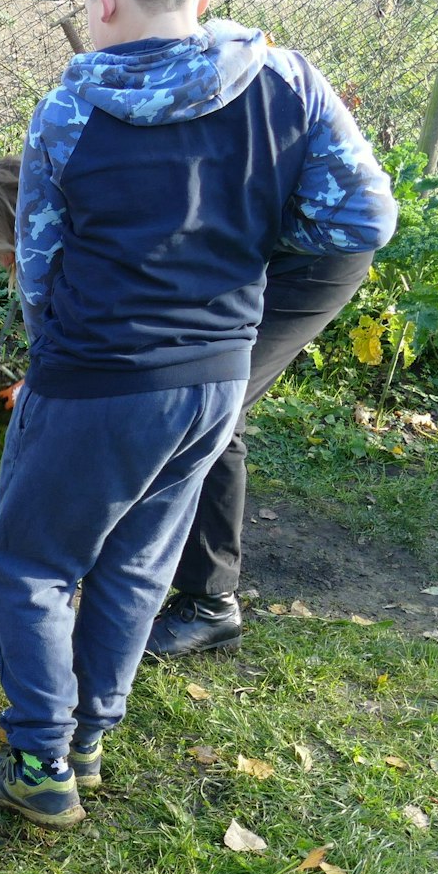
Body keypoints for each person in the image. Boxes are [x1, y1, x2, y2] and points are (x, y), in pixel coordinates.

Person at [0, 0, 395, 829]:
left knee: (31, 563)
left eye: (87, 7)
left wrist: (63, 359)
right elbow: (365, 219)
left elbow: (38, 271)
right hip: (212, 380)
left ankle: (42, 758)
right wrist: (247, 264)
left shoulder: (74, 106)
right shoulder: (287, 82)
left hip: (98, 376)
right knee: (136, 562)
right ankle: (88, 735)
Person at [142, 249, 374, 656]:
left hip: (317, 252)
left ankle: (210, 603)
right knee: (192, 396)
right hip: (247, 246)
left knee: (212, 411)